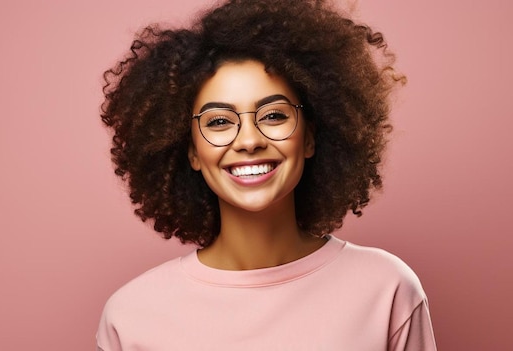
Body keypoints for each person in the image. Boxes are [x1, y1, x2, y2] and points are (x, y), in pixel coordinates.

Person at [96, 0, 436, 350]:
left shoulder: (387, 291)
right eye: (218, 122)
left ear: (310, 137)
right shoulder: (132, 317)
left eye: (273, 115)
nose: (249, 141)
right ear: (192, 152)